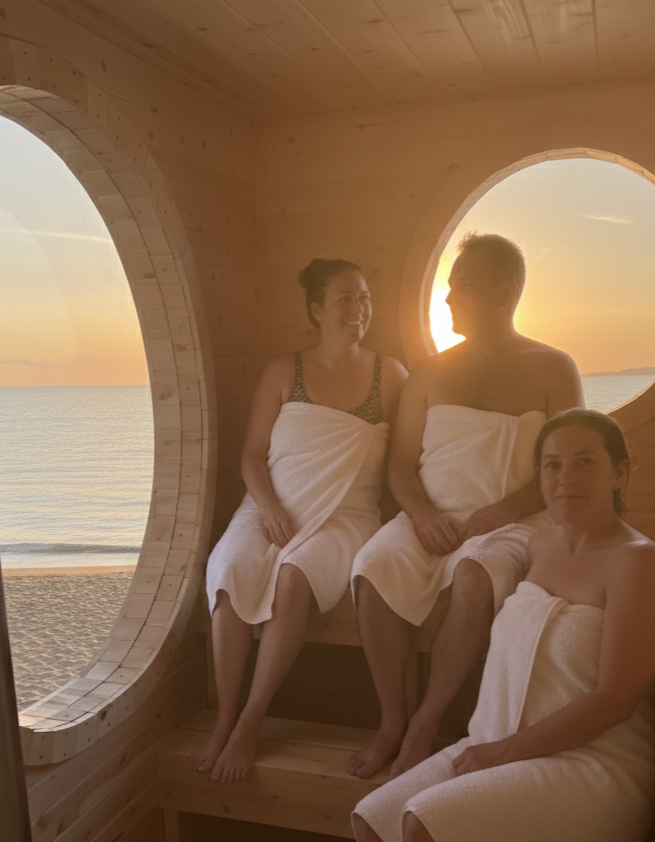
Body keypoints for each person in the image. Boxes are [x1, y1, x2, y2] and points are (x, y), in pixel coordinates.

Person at [352, 409, 655, 842]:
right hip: (501, 738)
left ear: (619, 473)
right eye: (552, 465)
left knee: (422, 824)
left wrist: (503, 752)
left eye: (585, 461)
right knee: (371, 821)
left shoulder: (637, 560)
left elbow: (616, 700)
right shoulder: (538, 544)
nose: (566, 477)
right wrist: (493, 744)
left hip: (595, 761)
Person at [349, 233, 584, 780]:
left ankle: (425, 725)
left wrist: (504, 511)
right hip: (430, 515)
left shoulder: (554, 369)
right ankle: (391, 722)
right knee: (371, 566)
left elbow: (566, 466)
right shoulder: (430, 372)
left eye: (466, 287)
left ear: (506, 293)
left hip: (515, 521)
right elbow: (400, 464)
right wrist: (422, 514)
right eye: (450, 286)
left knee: (476, 575)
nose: (450, 298)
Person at [190, 258, 407, 784]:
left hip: (345, 515)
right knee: (229, 571)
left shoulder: (391, 376)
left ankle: (251, 719)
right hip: (270, 503)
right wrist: (268, 508)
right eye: (344, 299)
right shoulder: (282, 371)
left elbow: (407, 457)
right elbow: (251, 456)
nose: (358, 309)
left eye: (364, 298)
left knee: (294, 576)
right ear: (317, 310)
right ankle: (224, 718)